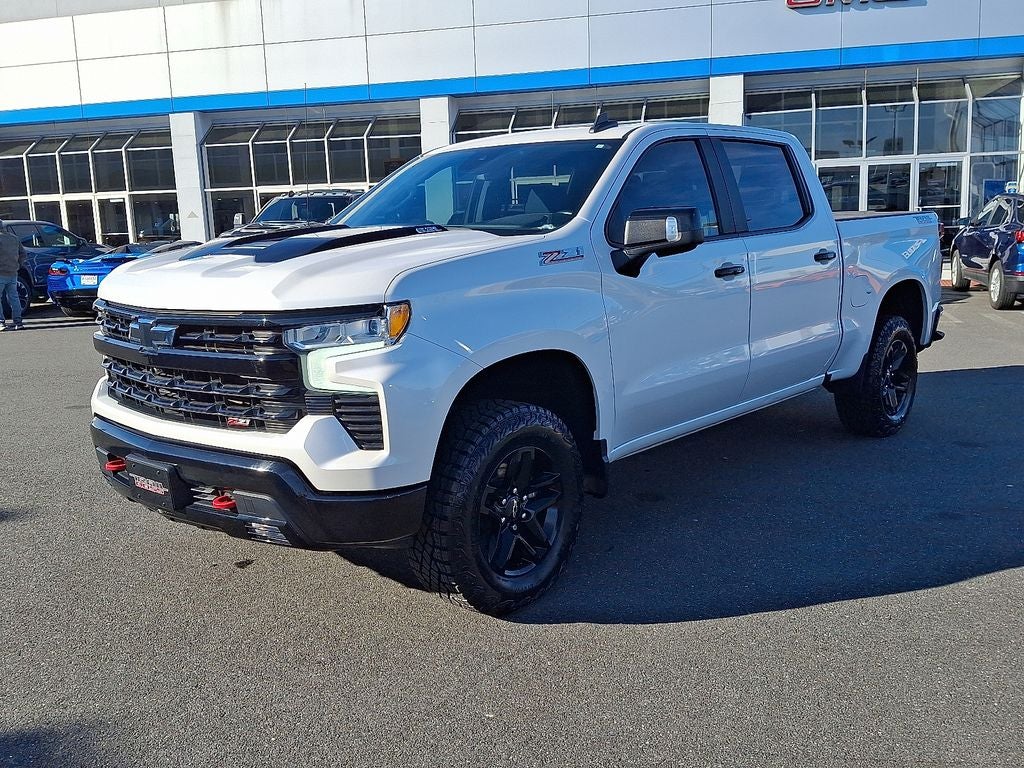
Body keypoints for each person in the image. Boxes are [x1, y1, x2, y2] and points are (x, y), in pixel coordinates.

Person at [0, 220, 27, 331]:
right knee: (14, 297)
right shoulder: (14, 238)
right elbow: (23, 254)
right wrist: (18, 265)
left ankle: (1, 322)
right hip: (12, 272)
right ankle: (18, 321)